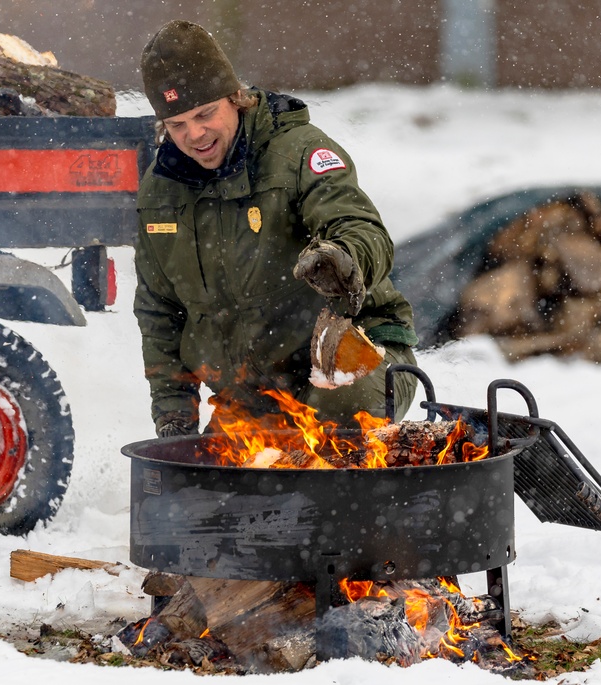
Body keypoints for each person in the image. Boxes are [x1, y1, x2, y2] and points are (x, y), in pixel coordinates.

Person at [133, 19, 420, 438]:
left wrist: (343, 259)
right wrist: (173, 408)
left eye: (205, 113)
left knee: (327, 443)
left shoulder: (299, 151)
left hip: (353, 358)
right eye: (177, 124)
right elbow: (159, 310)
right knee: (207, 489)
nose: (194, 134)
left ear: (235, 97)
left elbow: (361, 227)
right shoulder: (160, 194)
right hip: (253, 395)